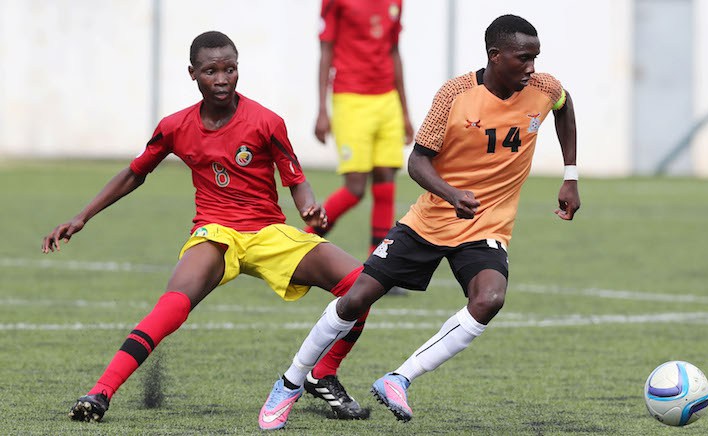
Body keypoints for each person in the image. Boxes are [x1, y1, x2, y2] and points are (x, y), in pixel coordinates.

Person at [260, 14, 581, 426]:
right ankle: (290, 382)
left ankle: (399, 378)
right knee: (356, 298)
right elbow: (417, 161)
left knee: (489, 299)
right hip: (429, 221)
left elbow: (564, 106)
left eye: (536, 57)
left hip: (486, 226)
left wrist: (570, 176)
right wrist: (451, 194)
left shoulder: (544, 88)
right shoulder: (455, 94)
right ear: (495, 55)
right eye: (524, 58)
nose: (532, 68)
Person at [41, 31, 371, 429]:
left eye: (230, 69)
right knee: (172, 306)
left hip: (267, 232)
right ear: (193, 73)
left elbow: (296, 180)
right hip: (215, 232)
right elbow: (134, 173)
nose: (222, 79)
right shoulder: (175, 126)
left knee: (362, 283)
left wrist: (308, 208)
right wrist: (82, 216)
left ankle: (323, 373)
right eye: (211, 71)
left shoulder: (266, 122)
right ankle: (100, 392)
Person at [308, 0, 414, 261]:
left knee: (386, 180)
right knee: (355, 188)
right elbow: (326, 51)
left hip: (388, 99)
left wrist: (404, 112)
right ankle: (303, 241)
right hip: (350, 98)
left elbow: (394, 51)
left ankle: (378, 262)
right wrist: (322, 109)